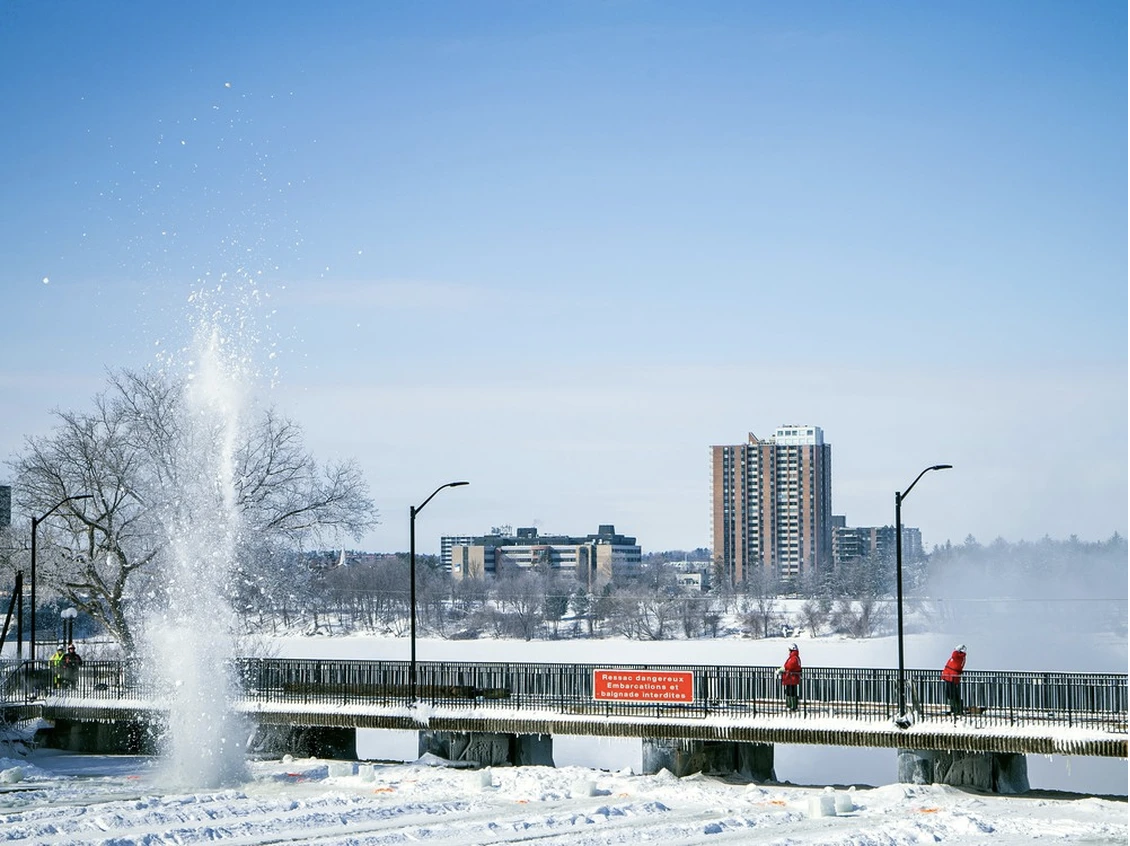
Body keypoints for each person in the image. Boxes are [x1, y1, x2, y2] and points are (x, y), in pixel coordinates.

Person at [941, 644, 967, 716]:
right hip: (949, 676)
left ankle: (957, 709)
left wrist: (957, 649)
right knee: (951, 694)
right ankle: (955, 709)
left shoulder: (958, 656)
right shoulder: (960, 657)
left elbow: (954, 653)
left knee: (952, 694)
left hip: (951, 677)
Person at [776, 643, 802, 711]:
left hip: (791, 678)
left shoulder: (793, 658)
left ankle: (791, 706)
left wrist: (782, 669)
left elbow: (789, 666)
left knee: (791, 692)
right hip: (791, 678)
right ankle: (791, 705)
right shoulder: (795, 657)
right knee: (790, 692)